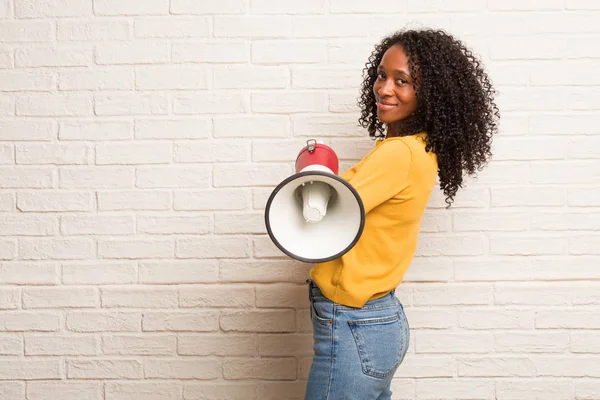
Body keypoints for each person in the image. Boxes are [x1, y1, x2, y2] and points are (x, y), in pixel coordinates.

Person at [304, 28, 500, 399]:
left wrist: (311, 171)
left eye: (403, 81)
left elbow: (322, 213)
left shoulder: (399, 154)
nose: (385, 89)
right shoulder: (417, 149)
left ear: (429, 94)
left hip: (354, 323)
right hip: (378, 321)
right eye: (382, 75)